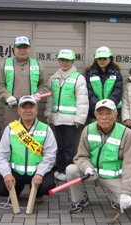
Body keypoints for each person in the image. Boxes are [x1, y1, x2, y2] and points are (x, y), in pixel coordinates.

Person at [66, 99, 131, 213]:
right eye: (100, 113)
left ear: (116, 114)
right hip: (91, 173)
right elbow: (81, 156)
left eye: (108, 113)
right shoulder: (88, 130)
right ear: (95, 115)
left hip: (113, 177)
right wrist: (87, 167)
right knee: (71, 170)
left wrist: (126, 191)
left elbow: (130, 164)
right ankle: (80, 199)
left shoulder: (126, 133)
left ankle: (115, 199)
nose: (104, 117)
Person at [0, 95, 57, 201]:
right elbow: (2, 155)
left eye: (31, 107)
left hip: (37, 173)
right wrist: (7, 174)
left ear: (36, 110)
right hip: (16, 172)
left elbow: (50, 155)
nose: (27, 110)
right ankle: (17, 189)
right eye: (24, 107)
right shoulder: (11, 128)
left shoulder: (46, 129)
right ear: (19, 110)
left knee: (48, 185)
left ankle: (37, 194)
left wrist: (40, 173)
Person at [44, 49, 88, 181]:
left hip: (71, 120)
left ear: (72, 61)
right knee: (59, 146)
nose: (64, 63)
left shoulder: (78, 78)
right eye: (62, 60)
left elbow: (83, 100)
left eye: (67, 60)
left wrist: (80, 118)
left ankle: (68, 171)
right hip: (57, 119)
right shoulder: (54, 78)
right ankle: (59, 168)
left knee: (69, 147)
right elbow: (50, 98)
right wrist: (48, 114)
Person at [0, 36, 49, 127]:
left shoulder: (38, 64)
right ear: (14, 49)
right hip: (12, 109)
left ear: (29, 49)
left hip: (30, 108)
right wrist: (7, 97)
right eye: (19, 47)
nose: (22, 50)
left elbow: (45, 85)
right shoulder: (5, 64)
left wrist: (38, 95)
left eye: (25, 47)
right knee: (11, 134)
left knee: (30, 135)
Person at [85, 46, 123, 121]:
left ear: (110, 59)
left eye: (104, 58)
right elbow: (89, 92)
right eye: (99, 58)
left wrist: (108, 106)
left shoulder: (116, 73)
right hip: (95, 110)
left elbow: (117, 91)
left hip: (112, 110)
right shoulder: (90, 73)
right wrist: (99, 106)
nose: (102, 61)